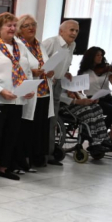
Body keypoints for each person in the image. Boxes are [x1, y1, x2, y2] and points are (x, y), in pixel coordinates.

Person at [0, 12, 34, 181]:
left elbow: (27, 71)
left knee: (12, 135)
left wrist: (29, 87)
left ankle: (4, 167)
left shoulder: (20, 47)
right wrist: (0, 90)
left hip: (17, 99)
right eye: (8, 25)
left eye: (14, 25)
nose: (12, 28)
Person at [16, 14, 55, 170]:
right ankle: (24, 159)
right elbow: (16, 67)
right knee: (27, 126)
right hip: (30, 92)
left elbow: (45, 63)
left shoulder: (39, 44)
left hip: (44, 90)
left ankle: (37, 157)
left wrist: (50, 71)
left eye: (33, 24)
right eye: (26, 25)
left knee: (41, 126)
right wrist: (32, 71)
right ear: (20, 29)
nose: (31, 28)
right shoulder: (18, 44)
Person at [41, 20, 80, 165]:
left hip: (57, 84)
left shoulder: (72, 45)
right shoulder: (50, 43)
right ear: (61, 31)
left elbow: (63, 63)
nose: (74, 33)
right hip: (44, 84)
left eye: (76, 31)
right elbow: (37, 61)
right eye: (71, 30)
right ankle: (40, 154)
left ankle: (49, 153)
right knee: (43, 120)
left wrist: (65, 72)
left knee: (53, 120)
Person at [78, 46, 112, 145]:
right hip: (93, 99)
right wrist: (84, 100)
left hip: (108, 98)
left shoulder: (107, 70)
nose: (100, 57)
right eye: (97, 55)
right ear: (91, 57)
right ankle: (100, 134)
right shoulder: (83, 72)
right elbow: (79, 91)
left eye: (101, 55)